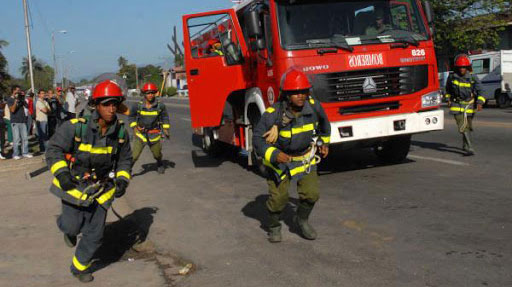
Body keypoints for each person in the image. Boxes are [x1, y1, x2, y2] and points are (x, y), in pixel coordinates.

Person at [45, 80, 132, 283]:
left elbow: (125, 159)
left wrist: (122, 180)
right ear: (96, 105)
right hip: (74, 187)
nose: (111, 109)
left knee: (95, 234)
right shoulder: (75, 128)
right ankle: (66, 228)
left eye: (115, 104)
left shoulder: (120, 133)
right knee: (72, 226)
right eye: (106, 104)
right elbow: (53, 149)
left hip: (102, 189)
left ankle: (79, 266)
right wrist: (62, 174)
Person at [253, 68, 331, 243]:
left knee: (311, 194)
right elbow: (257, 139)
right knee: (279, 199)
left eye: (303, 91)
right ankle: (273, 227)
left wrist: (324, 142)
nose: (301, 96)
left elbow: (325, 124)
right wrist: (274, 154)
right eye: (296, 93)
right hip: (280, 163)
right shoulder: (272, 115)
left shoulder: (313, 106)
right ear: (287, 94)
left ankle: (301, 220)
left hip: (305, 158)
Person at [445, 54, 486, 156]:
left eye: (464, 67)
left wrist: (480, 102)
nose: (462, 69)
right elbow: (447, 89)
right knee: (462, 125)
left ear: (467, 67)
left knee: (468, 126)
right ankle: (470, 147)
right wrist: (448, 99)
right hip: (456, 104)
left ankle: (465, 144)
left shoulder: (472, 77)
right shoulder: (451, 77)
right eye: (460, 67)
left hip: (469, 104)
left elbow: (481, 90)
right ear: (456, 67)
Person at [129, 82, 170, 174]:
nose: (150, 95)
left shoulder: (160, 106)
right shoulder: (137, 105)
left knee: (157, 154)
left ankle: (159, 163)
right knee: (134, 156)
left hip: (154, 134)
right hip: (141, 135)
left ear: (155, 93)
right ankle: (127, 171)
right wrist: (134, 128)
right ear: (144, 94)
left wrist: (166, 129)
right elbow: (131, 116)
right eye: (148, 93)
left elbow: (165, 117)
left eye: (152, 92)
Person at [7, 85, 32, 159]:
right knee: (16, 139)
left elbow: (27, 106)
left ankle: (25, 152)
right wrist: (16, 101)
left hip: (23, 120)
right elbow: (12, 110)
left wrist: (23, 99)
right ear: (13, 91)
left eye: (19, 90)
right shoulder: (10, 99)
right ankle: (15, 154)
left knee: (25, 138)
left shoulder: (21, 99)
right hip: (15, 121)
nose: (18, 92)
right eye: (17, 90)